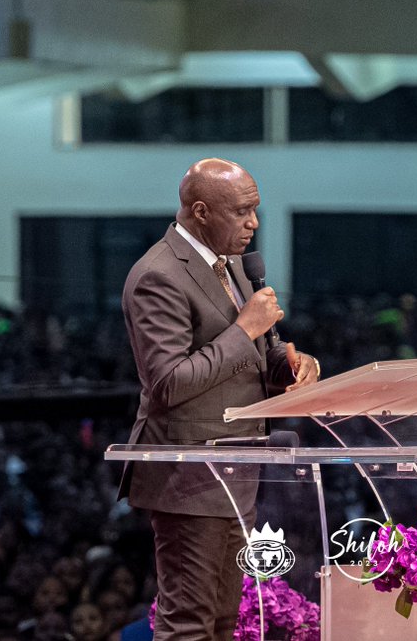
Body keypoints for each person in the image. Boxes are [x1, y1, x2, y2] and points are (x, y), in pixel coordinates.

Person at [118, 158, 320, 641]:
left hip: (234, 471)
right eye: (243, 212)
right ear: (202, 211)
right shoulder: (158, 275)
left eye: (256, 211)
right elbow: (167, 383)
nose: (254, 223)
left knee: (224, 622)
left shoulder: (232, 265)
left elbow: (254, 356)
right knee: (188, 622)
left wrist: (289, 366)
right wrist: (245, 327)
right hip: (187, 478)